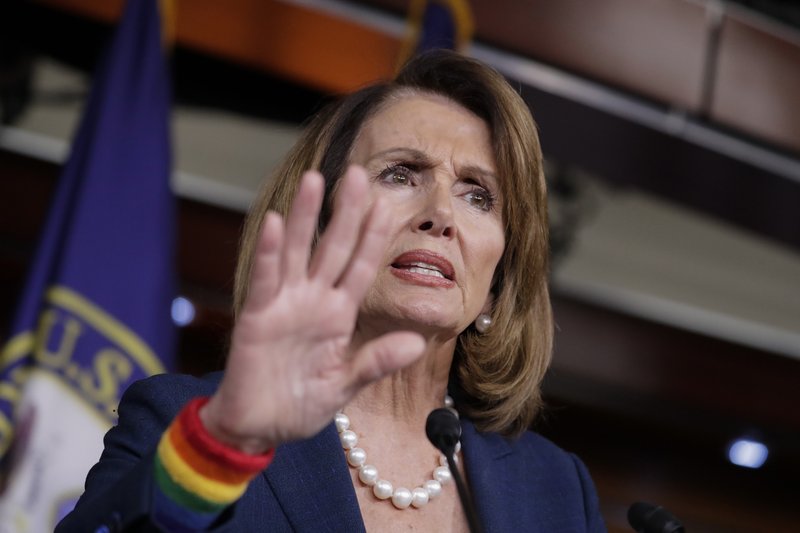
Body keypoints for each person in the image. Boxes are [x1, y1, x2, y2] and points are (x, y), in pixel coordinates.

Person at [57, 50, 605, 532]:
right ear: (319, 227)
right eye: (401, 174)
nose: (440, 215)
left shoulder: (554, 490)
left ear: (497, 284)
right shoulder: (184, 421)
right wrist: (223, 445)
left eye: (479, 196)